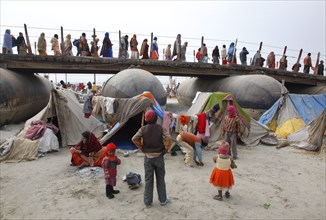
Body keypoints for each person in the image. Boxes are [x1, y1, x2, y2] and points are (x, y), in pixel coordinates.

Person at [132, 110, 172, 208]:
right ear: (155, 118)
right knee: (160, 179)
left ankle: (148, 202)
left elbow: (134, 139)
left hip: (148, 158)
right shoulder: (160, 128)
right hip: (159, 157)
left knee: (148, 180)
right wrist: (166, 149)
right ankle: (163, 200)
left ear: (146, 119)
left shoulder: (143, 129)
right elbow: (169, 139)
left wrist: (141, 147)